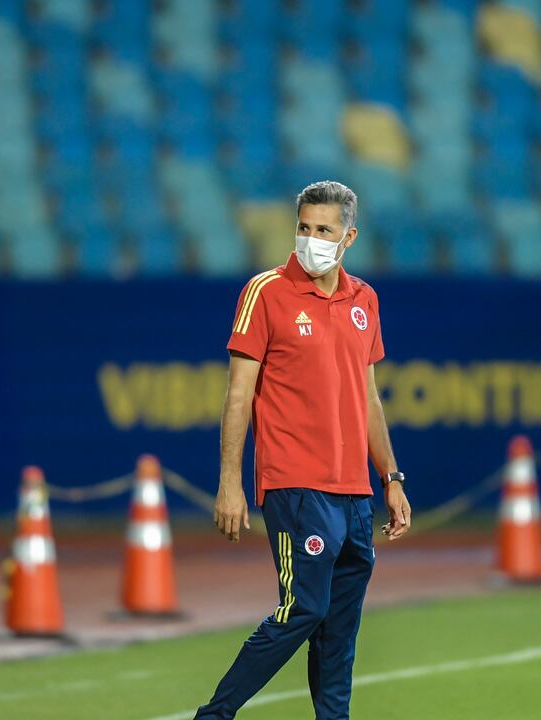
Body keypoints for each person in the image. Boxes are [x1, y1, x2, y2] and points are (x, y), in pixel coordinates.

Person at [194, 180, 411, 719]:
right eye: (304, 227)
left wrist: (391, 477)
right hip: (295, 485)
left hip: (355, 491)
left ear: (349, 238)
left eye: (324, 230)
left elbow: (368, 397)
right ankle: (214, 715)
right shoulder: (266, 292)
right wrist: (229, 483)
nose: (311, 239)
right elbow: (238, 394)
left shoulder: (364, 300)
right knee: (303, 609)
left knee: (339, 629)